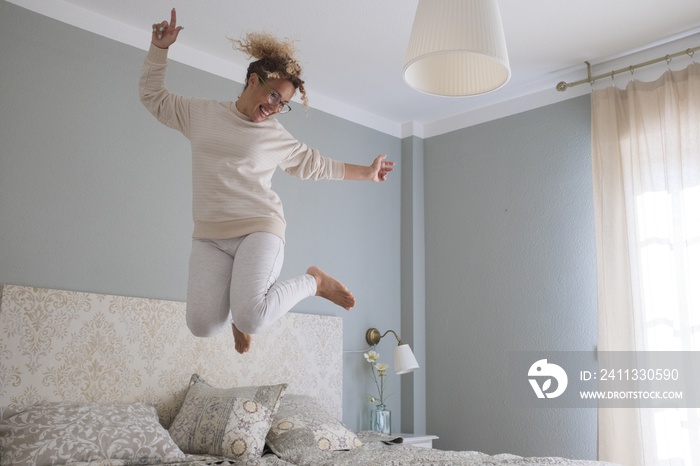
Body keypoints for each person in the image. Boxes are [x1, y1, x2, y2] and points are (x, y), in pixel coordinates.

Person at [140, 9, 394, 354]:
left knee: (254, 317)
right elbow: (153, 99)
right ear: (253, 80)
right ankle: (237, 319)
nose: (275, 107)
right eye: (274, 95)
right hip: (209, 236)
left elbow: (312, 165)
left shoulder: (274, 135)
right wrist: (159, 49)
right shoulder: (201, 114)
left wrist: (367, 171)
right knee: (202, 325)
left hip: (259, 228)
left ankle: (314, 281)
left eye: (284, 104)